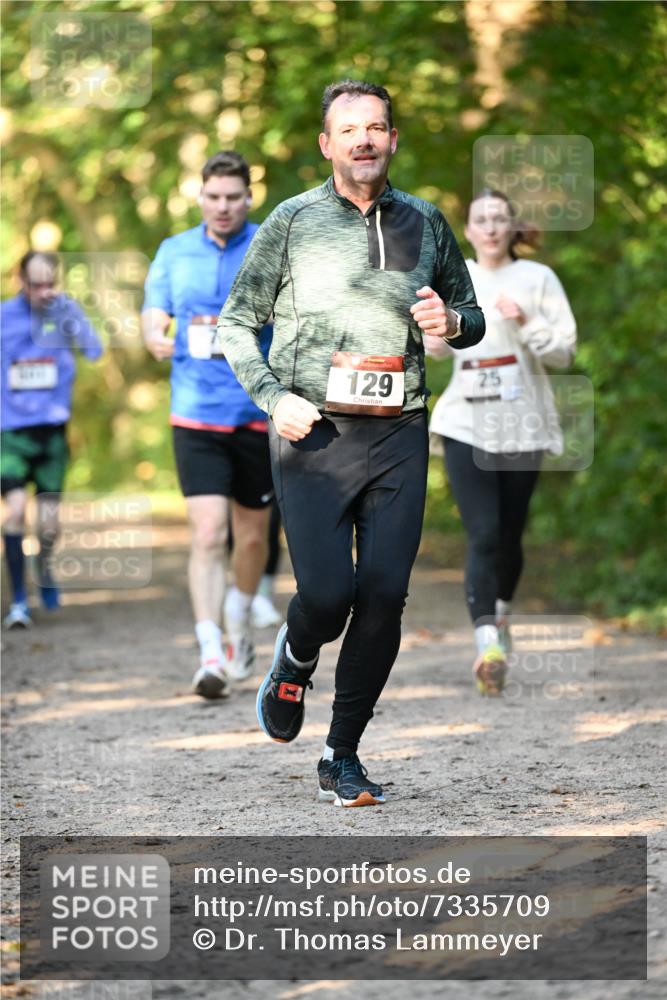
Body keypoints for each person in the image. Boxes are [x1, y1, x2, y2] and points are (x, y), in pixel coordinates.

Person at [219, 80, 485, 807]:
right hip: (316, 433)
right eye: (349, 129)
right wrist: (275, 399)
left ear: (392, 140)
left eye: (376, 127)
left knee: (386, 594)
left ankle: (342, 754)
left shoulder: (427, 222)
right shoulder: (292, 220)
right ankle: (296, 656)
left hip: (399, 429)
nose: (364, 139)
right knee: (329, 593)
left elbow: (470, 313)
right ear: (327, 145)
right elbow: (235, 324)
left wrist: (452, 325)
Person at [424, 188, 576, 695]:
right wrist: (436, 330)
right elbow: (437, 352)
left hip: (522, 424)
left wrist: (526, 321)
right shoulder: (455, 276)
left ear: (512, 228)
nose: (489, 227)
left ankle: (501, 618)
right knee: (484, 533)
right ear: (467, 230)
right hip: (466, 424)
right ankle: (487, 642)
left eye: (498, 219)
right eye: (480, 219)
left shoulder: (538, 280)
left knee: (510, 536)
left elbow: (564, 355)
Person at [142, 151, 276, 699]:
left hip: (256, 412)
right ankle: (210, 648)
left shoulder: (271, 241)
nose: (223, 207)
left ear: (249, 198)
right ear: (200, 198)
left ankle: (239, 621)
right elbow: (154, 316)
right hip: (195, 414)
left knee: (251, 539)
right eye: (213, 197)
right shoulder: (174, 251)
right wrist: (155, 334)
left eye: (233, 198)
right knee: (207, 533)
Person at [1, 251, 103, 628]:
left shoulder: (64, 312)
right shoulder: (3, 317)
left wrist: (71, 318)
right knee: (13, 512)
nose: (43, 292)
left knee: (48, 525)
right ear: (20, 281)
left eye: (50, 284)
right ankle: (17, 600)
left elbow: (94, 351)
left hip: (52, 432)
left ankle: (43, 566)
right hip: (10, 432)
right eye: (35, 284)